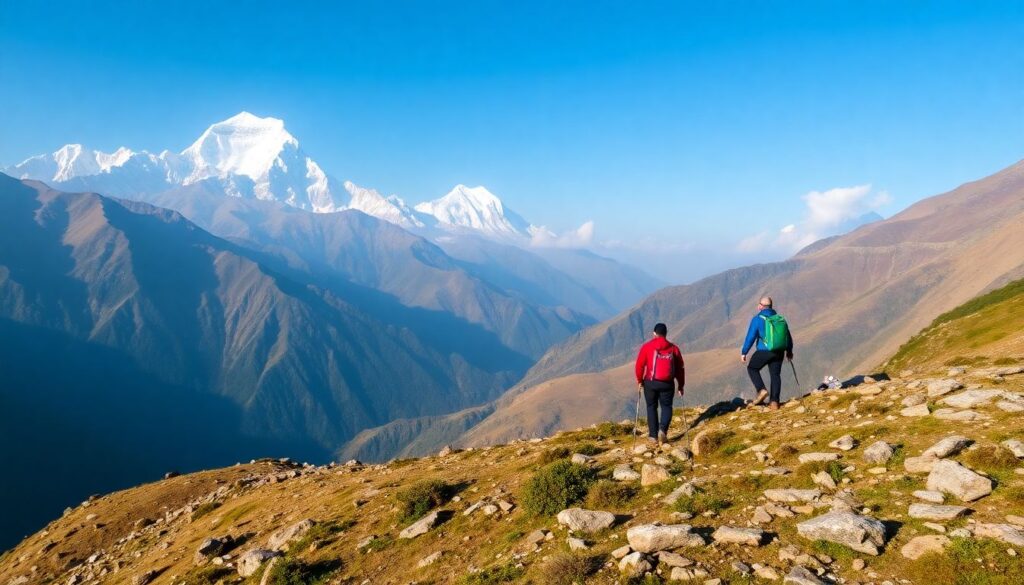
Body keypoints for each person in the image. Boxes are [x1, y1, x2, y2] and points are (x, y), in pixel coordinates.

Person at [634, 323, 685, 445]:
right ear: (666, 333)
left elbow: (639, 365)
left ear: (654, 334)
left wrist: (639, 380)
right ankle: (662, 430)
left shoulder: (647, 347)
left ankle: (653, 436)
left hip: (650, 382)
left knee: (651, 407)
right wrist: (681, 385)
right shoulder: (673, 348)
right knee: (666, 406)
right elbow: (680, 368)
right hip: (667, 384)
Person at [740, 296, 794, 410]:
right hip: (779, 351)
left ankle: (761, 390)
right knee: (775, 375)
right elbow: (787, 336)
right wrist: (789, 351)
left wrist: (744, 352)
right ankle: (774, 402)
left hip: (764, 351)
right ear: (771, 306)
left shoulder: (757, 319)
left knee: (752, 368)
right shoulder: (780, 319)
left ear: (760, 306)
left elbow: (750, 337)